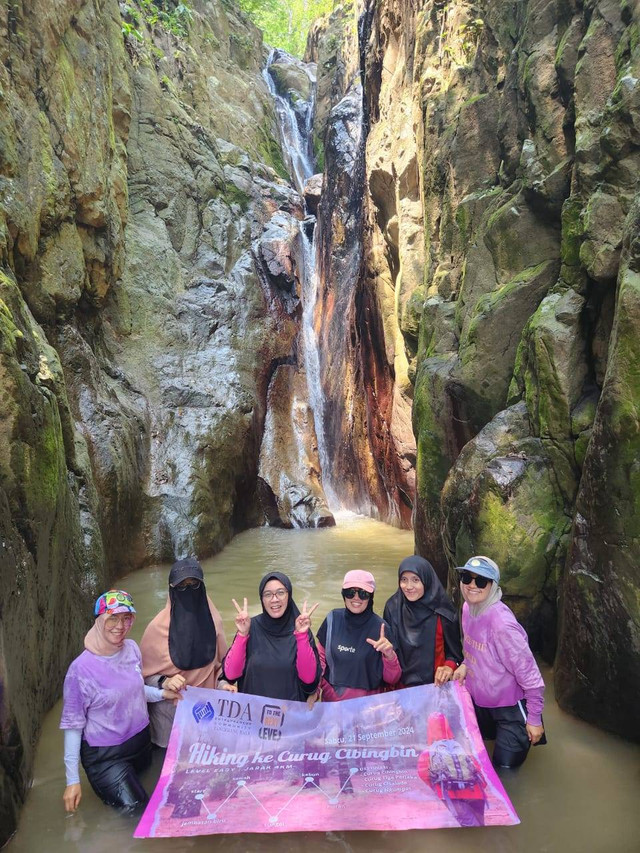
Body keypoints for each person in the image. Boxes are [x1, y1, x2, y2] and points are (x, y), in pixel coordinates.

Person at [60, 590, 181, 814]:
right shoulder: (80, 670)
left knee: (169, 794)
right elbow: (73, 726)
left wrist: (162, 695)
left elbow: (133, 691)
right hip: (107, 758)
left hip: (142, 746)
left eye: (126, 618)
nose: (120, 625)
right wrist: (72, 781)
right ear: (99, 620)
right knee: (139, 812)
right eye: (112, 618)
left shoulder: (132, 649)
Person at [452, 556, 546, 768]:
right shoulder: (467, 608)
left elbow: (531, 677)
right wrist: (465, 665)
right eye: (466, 578)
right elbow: (472, 646)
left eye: (481, 581)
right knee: (475, 755)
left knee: (505, 771)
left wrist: (534, 720)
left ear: (493, 586)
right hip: (480, 700)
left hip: (510, 708)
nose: (472, 586)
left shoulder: (502, 625)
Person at [140, 557, 229, 747]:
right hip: (169, 721)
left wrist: (224, 686)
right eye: (182, 586)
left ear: (202, 587)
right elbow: (141, 679)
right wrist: (165, 681)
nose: (188, 590)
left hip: (206, 715)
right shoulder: (156, 629)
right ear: (172, 590)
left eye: (194, 584)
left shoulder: (214, 623)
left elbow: (221, 668)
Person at [222, 572, 321, 701]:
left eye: (280, 592)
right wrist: (242, 634)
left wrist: (301, 636)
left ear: (289, 595)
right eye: (268, 594)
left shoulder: (301, 630)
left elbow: (309, 680)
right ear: (262, 599)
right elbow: (231, 675)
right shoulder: (249, 627)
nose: (274, 599)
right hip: (253, 713)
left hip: (290, 714)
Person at [316, 570, 401, 702]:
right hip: (333, 707)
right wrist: (315, 689)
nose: (356, 598)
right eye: (350, 592)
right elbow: (320, 661)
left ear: (371, 597)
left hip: (368, 709)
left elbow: (393, 679)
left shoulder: (381, 629)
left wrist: (389, 656)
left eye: (363, 593)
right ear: (343, 595)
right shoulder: (332, 619)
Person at [383, 555, 463, 687]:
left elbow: (455, 655)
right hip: (401, 688)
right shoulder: (392, 607)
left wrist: (449, 667)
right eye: (404, 580)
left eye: (415, 580)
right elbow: (388, 651)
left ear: (426, 580)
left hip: (436, 686)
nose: (408, 586)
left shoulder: (443, 612)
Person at [417, 711, 486, 826]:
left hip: (452, 796)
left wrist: (438, 788)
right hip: (476, 793)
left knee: (471, 829)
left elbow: (423, 774)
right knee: (481, 826)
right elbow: (477, 768)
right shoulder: (461, 746)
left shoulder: (428, 753)